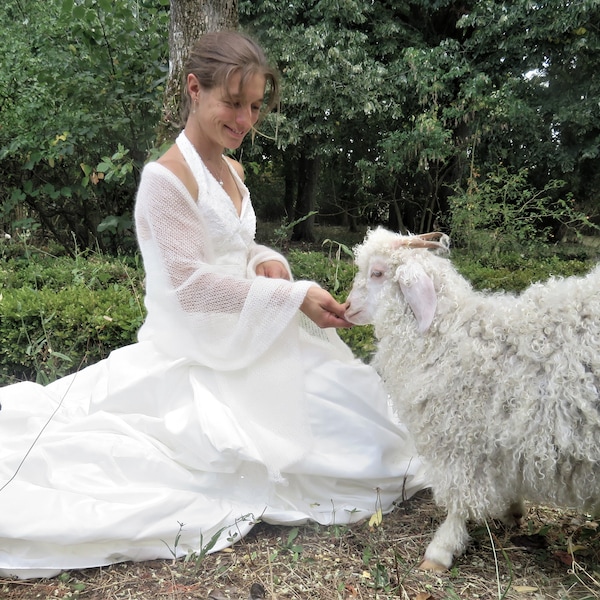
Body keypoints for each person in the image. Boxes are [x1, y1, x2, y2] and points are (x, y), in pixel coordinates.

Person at [0, 30, 427, 580]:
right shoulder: (165, 179)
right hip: (199, 349)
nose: (245, 119)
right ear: (194, 89)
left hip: (249, 335)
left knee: (366, 423)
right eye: (233, 103)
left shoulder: (233, 171)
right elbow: (191, 287)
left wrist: (267, 259)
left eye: (253, 107)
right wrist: (292, 294)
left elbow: (235, 248)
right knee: (333, 452)